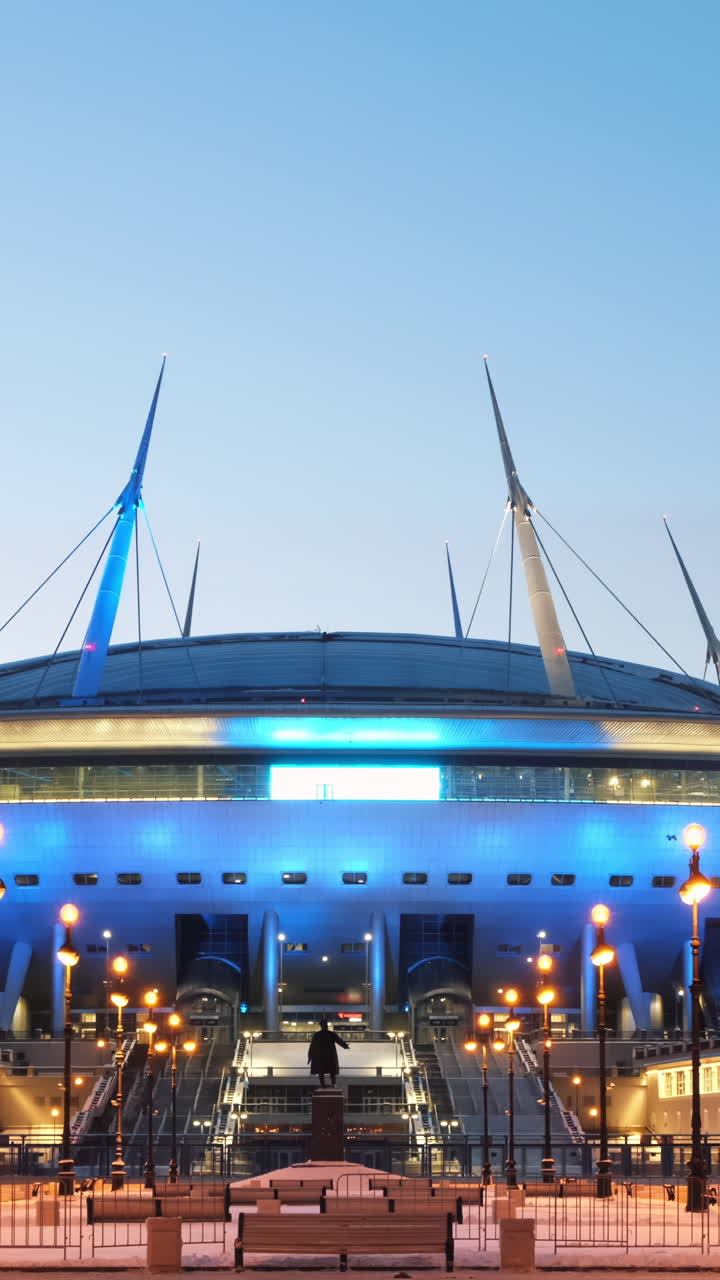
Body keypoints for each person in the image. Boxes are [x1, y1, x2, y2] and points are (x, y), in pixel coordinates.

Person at [307, 1018, 349, 1087]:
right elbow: (339, 1041)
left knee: (321, 1071)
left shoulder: (317, 1035)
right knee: (332, 1071)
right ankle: (333, 1084)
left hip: (320, 1056)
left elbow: (312, 1047)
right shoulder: (331, 1034)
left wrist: (310, 1057)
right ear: (326, 1026)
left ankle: (323, 1085)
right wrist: (345, 1046)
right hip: (330, 1055)